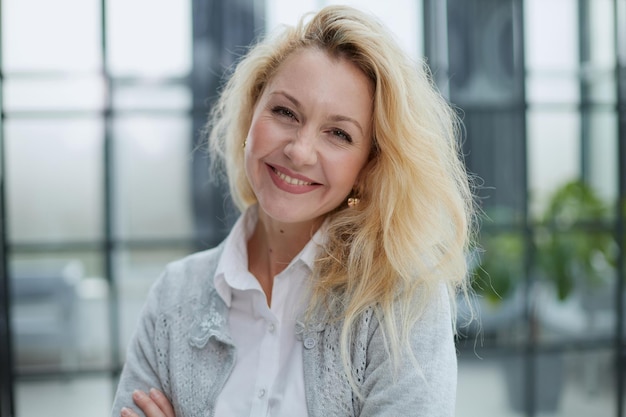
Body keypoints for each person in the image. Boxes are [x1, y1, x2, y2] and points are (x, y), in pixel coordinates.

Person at [112, 5, 475, 417]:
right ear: (252, 114)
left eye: (338, 133)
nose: (299, 151)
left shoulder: (403, 303)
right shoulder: (173, 297)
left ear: (367, 167)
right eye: (285, 112)